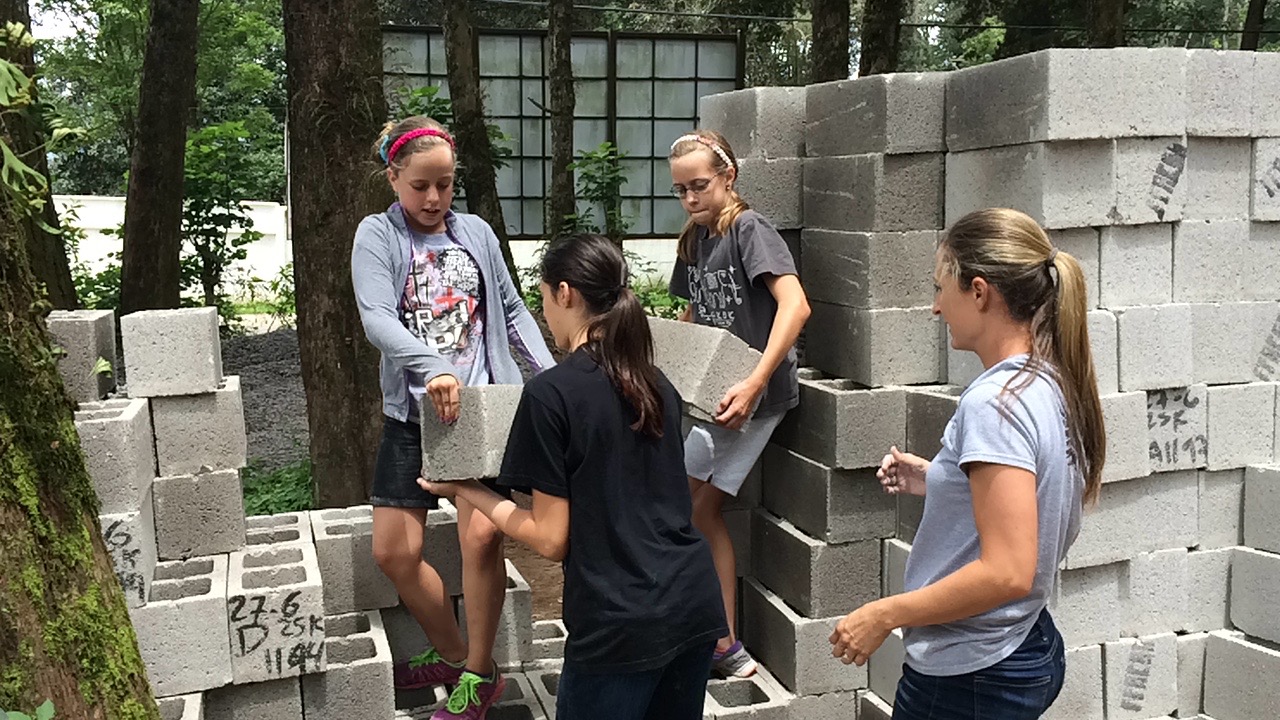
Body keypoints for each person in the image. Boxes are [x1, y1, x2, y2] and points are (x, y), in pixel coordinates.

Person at [420, 234, 728, 719]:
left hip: (618, 624)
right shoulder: (656, 383)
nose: (544, 313)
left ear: (565, 293)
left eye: (543, 298)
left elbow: (549, 539)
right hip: (692, 605)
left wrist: (465, 488)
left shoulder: (551, 395)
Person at [828, 208, 1107, 719]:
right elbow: (1030, 497)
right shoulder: (1046, 382)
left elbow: (1007, 572)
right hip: (1025, 641)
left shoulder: (995, 403)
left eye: (941, 288)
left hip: (972, 672)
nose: (937, 307)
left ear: (979, 292)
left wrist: (883, 615)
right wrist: (941, 477)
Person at [351, 115, 555, 720]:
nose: (434, 198)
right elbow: (376, 316)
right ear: (393, 178)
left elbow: (511, 310)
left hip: (483, 411)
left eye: (444, 184)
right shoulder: (377, 235)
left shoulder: (476, 233)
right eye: (420, 185)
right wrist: (434, 365)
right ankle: (456, 653)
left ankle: (477, 675)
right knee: (395, 552)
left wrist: (551, 380)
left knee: (483, 538)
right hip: (412, 416)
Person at [666, 129, 810, 677]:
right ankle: (722, 642)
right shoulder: (694, 240)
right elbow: (693, 315)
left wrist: (753, 383)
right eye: (680, 190)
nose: (690, 199)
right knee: (696, 511)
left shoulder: (749, 230)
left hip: (751, 399)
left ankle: (719, 641)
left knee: (680, 505)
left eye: (699, 186)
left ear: (729, 177)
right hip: (712, 395)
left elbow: (795, 307)